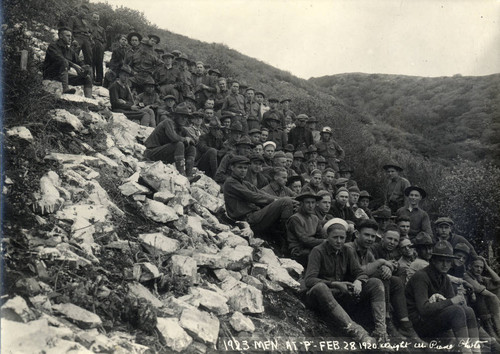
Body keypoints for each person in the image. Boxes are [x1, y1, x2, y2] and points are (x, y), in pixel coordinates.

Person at [304, 218, 390, 345]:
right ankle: (356, 331)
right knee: (320, 287)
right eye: (335, 237)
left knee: (375, 283)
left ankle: (381, 332)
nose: (339, 241)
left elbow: (360, 272)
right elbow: (310, 280)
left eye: (342, 238)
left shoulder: (347, 251)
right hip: (319, 297)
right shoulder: (318, 251)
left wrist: (358, 282)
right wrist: (334, 284)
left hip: (338, 296)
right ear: (327, 237)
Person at [405, 241, 480, 350]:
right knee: (457, 311)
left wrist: (457, 301)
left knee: (469, 311)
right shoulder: (421, 276)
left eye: (448, 261)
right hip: (418, 323)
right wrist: (452, 301)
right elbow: (424, 309)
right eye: (441, 261)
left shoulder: (444, 277)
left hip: (432, 318)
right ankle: (466, 351)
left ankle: (476, 351)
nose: (445, 264)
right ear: (433, 261)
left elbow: (452, 304)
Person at [222, 155, 296, 236]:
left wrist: (293, 199)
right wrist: (275, 201)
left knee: (288, 201)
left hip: (254, 216)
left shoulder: (244, 183)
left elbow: (261, 193)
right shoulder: (230, 182)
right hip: (247, 219)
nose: (243, 170)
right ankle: (286, 236)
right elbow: (252, 196)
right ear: (232, 168)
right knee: (285, 202)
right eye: (240, 167)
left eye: (245, 168)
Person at [144, 103, 198, 179]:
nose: (184, 119)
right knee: (179, 144)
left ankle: (189, 175)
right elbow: (174, 138)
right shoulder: (168, 122)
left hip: (163, 154)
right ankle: (182, 174)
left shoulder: (181, 128)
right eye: (182, 116)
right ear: (176, 116)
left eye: (186, 117)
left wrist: (190, 141)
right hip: (151, 153)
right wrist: (185, 139)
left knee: (192, 148)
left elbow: (193, 142)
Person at [43, 27, 93, 97]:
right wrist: (74, 66)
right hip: (51, 75)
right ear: (60, 36)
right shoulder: (53, 46)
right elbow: (60, 59)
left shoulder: (69, 50)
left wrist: (84, 67)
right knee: (64, 62)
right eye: (67, 36)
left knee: (87, 78)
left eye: (71, 36)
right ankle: (65, 89)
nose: (70, 38)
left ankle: (89, 101)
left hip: (63, 76)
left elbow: (79, 61)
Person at [464, 256, 500, 339]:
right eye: (476, 266)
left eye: (481, 267)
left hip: (487, 315)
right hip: (476, 315)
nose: (479, 269)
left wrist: (487, 267)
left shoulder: (480, 278)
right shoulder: (466, 276)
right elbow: (478, 288)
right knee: (494, 340)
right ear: (470, 266)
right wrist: (494, 297)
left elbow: (498, 281)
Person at [286, 193, 325, 266]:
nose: (310, 206)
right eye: (308, 203)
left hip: (311, 247)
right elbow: (304, 240)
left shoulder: (315, 218)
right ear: (301, 204)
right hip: (298, 250)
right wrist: (325, 241)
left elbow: (321, 235)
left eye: (313, 203)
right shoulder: (295, 219)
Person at [89, 13, 106, 85]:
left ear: (99, 19)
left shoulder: (101, 29)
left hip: (99, 46)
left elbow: (105, 40)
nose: (95, 19)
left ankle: (99, 80)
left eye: (97, 18)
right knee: (91, 61)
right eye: (94, 17)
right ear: (92, 18)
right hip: (91, 45)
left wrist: (103, 47)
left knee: (99, 62)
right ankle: (91, 79)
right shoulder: (88, 27)